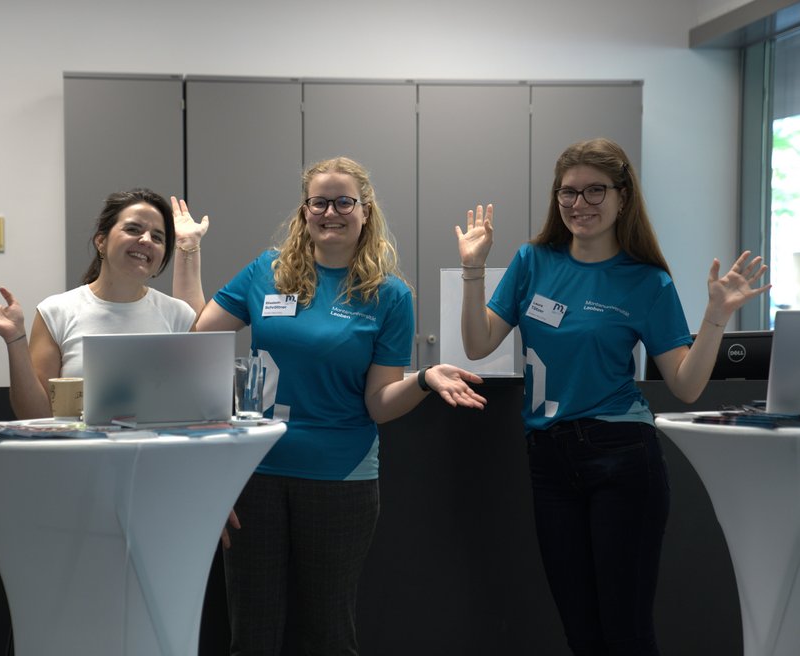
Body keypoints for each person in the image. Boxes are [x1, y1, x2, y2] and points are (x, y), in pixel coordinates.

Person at [455, 137, 770, 655]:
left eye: (595, 191)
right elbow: (477, 343)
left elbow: (686, 385)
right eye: (568, 193)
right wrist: (473, 267)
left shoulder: (647, 281)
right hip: (549, 460)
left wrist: (715, 316)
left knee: (625, 633)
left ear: (623, 197)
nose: (579, 205)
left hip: (621, 457)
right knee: (582, 632)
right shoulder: (533, 262)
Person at [195, 156, 488, 655]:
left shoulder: (389, 295)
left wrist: (423, 379)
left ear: (365, 210)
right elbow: (198, 343)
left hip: (341, 479)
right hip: (254, 474)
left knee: (328, 634)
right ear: (304, 211)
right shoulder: (265, 273)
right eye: (319, 202)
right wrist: (186, 255)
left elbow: (378, 403)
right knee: (252, 633)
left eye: (344, 201)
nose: (331, 211)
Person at [0, 188, 209, 419]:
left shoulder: (179, 316)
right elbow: (34, 416)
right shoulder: (56, 312)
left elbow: (196, 407)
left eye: (158, 237)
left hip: (159, 458)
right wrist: (14, 338)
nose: (146, 240)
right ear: (101, 241)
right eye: (133, 229)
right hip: (79, 459)